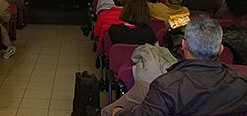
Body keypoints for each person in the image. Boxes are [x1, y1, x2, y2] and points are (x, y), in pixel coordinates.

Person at [104, 16, 247, 115]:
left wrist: (118, 113)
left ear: (183, 45)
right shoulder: (241, 82)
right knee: (142, 86)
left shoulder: (167, 85)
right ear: (220, 49)